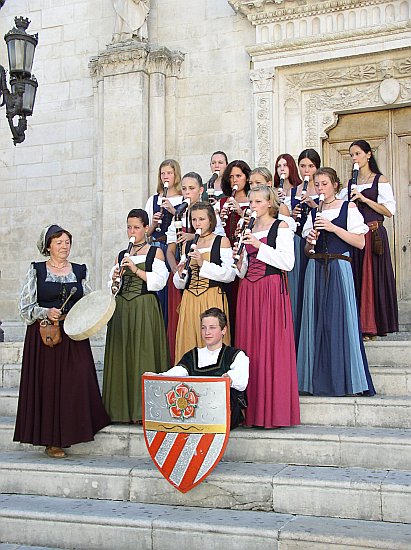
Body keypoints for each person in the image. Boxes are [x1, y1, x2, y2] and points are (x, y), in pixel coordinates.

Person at [14, 225, 110, 458]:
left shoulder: (79, 270)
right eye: (59, 242)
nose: (64, 246)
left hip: (73, 336)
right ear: (48, 246)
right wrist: (45, 312)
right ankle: (52, 441)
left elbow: (89, 301)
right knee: (48, 386)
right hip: (45, 337)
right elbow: (24, 307)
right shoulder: (36, 270)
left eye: (67, 242)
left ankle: (77, 429)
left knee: (75, 379)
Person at [298, 168, 376, 396]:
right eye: (317, 184)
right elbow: (306, 250)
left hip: (339, 266)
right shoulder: (314, 213)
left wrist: (333, 228)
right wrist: (310, 241)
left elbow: (360, 242)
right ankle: (313, 382)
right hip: (316, 267)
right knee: (315, 322)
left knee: (339, 321)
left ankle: (345, 381)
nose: (320, 188)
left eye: (324, 183)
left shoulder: (347, 207)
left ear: (334, 184)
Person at [234, 185, 300, 428]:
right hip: (249, 291)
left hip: (271, 290)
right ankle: (251, 412)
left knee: (269, 347)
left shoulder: (280, 227)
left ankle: (273, 412)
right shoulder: (248, 228)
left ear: (270, 203)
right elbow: (241, 271)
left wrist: (259, 246)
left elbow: (287, 263)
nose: (253, 206)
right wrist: (239, 260)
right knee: (250, 347)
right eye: (251, 202)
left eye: (258, 202)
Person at [103, 209, 169, 423]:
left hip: (144, 307)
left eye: (137, 227)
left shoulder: (155, 252)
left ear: (146, 228)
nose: (132, 231)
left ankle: (144, 411)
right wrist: (115, 278)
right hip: (122, 309)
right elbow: (112, 289)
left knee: (144, 355)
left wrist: (135, 269)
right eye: (129, 227)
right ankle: (120, 410)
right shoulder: (122, 254)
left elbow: (159, 282)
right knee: (123, 356)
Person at [150, 308, 249, 429]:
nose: (207, 332)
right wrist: (158, 377)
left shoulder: (236, 355)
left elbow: (241, 380)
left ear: (224, 330)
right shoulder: (192, 355)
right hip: (194, 415)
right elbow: (178, 372)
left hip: (224, 415)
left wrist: (230, 379)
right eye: (203, 328)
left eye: (212, 327)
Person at [347, 140, 398, 340]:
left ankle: (373, 326)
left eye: (358, 154)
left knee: (373, 277)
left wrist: (365, 199)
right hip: (356, 235)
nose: (354, 158)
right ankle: (358, 325)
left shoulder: (380, 180)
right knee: (358, 276)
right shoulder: (351, 182)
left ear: (368, 155)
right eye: (351, 155)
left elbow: (389, 211)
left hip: (374, 233)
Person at [173, 202, 235, 362]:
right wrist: (180, 275)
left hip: (212, 298)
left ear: (211, 220)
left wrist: (203, 263)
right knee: (189, 343)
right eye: (194, 220)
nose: (197, 223)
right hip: (190, 300)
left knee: (212, 343)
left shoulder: (222, 241)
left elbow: (230, 275)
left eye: (202, 219)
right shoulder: (188, 244)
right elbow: (180, 283)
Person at [289, 149, 321, 349]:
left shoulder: (321, 188)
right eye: (302, 166)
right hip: (298, 242)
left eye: (310, 166)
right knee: (299, 287)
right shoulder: (294, 190)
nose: (306, 170)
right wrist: (292, 215)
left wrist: (314, 204)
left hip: (318, 243)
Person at [145, 159, 183, 327]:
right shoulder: (153, 200)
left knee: (172, 289)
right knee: (158, 289)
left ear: (176, 175)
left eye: (169, 173)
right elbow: (145, 233)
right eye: (163, 173)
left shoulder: (184, 197)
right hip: (157, 247)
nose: (166, 176)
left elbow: (187, 223)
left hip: (175, 248)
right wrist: (153, 223)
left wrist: (174, 212)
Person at [219, 160, 252, 246]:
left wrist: (240, 212)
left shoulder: (253, 201)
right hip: (225, 246)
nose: (234, 180)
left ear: (247, 178)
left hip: (246, 245)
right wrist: (219, 219)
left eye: (238, 176)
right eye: (231, 177)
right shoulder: (222, 202)